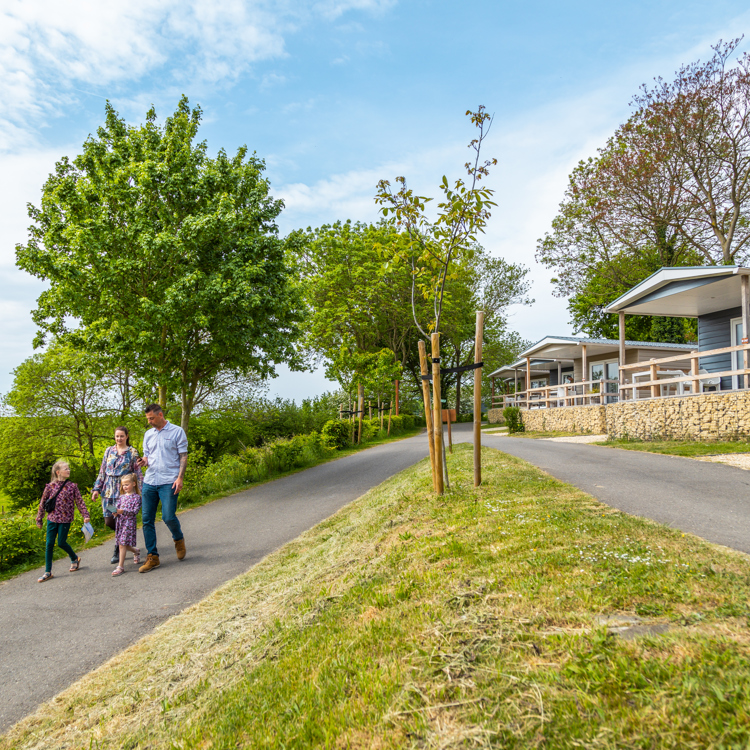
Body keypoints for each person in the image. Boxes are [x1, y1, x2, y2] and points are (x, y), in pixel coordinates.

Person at [136, 403, 188, 572]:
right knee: (146, 520)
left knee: (168, 516)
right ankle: (153, 556)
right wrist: (144, 461)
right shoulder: (148, 434)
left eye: (151, 418)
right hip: (150, 481)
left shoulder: (177, 431)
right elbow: (147, 456)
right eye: (147, 419)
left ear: (160, 415)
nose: (149, 421)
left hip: (169, 481)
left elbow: (183, 456)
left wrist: (180, 478)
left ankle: (178, 539)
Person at [92, 426, 143, 564]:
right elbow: (102, 470)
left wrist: (141, 492)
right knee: (109, 520)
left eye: (121, 436)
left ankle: (118, 547)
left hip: (124, 491)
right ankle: (125, 543)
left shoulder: (132, 452)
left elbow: (138, 473)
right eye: (117, 436)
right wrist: (97, 488)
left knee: (122, 519)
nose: (119, 438)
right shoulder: (109, 450)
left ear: (127, 436)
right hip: (108, 490)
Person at [35, 460, 91, 583]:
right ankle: (47, 572)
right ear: (58, 472)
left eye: (69, 468)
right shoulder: (50, 487)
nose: (68, 470)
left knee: (61, 542)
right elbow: (42, 503)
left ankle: (74, 558)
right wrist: (39, 519)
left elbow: (80, 501)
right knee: (49, 544)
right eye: (66, 469)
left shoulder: (72, 486)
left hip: (65, 519)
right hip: (52, 519)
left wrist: (85, 515)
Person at [111, 473, 142, 577]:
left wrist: (122, 511)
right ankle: (136, 551)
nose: (125, 487)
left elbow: (134, 511)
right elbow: (117, 508)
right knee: (123, 543)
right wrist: (115, 512)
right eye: (123, 485)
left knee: (122, 544)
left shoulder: (137, 497)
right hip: (121, 522)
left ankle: (120, 566)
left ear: (133, 484)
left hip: (129, 523)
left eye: (127, 484)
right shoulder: (121, 497)